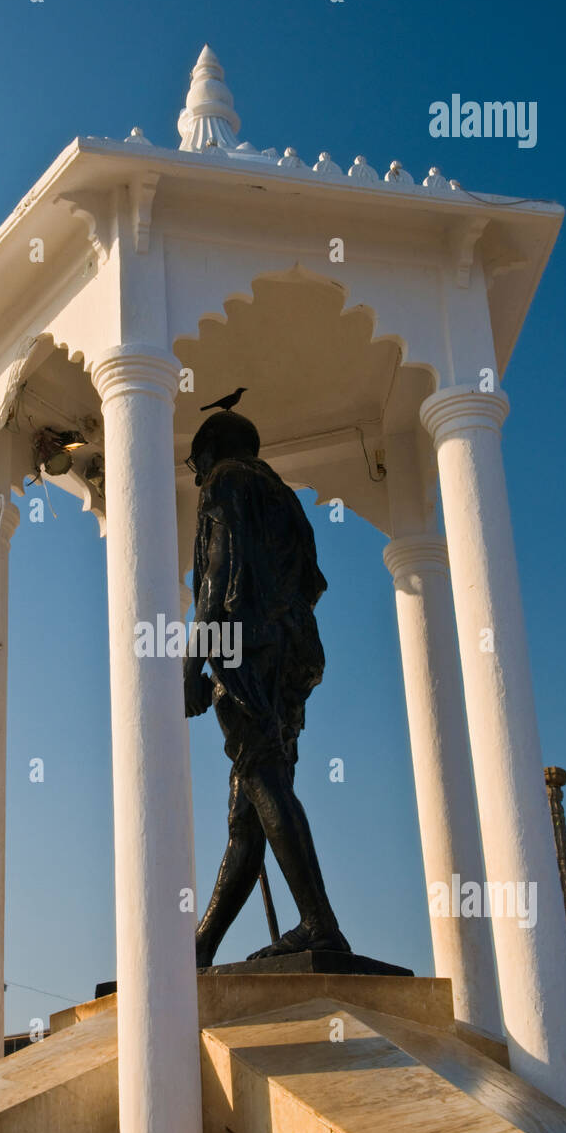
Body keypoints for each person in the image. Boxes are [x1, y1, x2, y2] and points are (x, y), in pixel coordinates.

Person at [184, 410, 350, 966]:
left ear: (212, 450)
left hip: (244, 651)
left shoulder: (224, 482)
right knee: (247, 811)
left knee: (261, 777)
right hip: (292, 654)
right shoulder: (284, 498)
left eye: (194, 460)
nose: (195, 471)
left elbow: (216, 574)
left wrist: (193, 662)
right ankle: (201, 948)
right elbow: (312, 583)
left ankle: (319, 922)